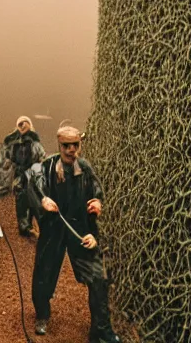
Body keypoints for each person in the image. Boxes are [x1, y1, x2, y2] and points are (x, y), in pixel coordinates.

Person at [27, 125, 121, 343]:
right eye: (66, 146)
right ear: (59, 145)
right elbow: (34, 184)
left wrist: (98, 202)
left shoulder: (85, 168)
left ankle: (101, 329)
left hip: (79, 231)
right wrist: (43, 200)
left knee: (98, 275)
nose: (71, 150)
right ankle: (42, 314)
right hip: (54, 229)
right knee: (44, 273)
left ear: (80, 145)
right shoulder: (49, 166)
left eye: (75, 145)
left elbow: (97, 190)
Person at [3, 115, 46, 236]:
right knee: (21, 199)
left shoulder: (34, 143)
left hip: (32, 174)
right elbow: (9, 157)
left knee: (33, 198)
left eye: (24, 123)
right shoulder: (14, 143)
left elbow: (42, 156)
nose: (22, 126)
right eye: (20, 124)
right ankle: (24, 227)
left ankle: (32, 224)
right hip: (19, 175)